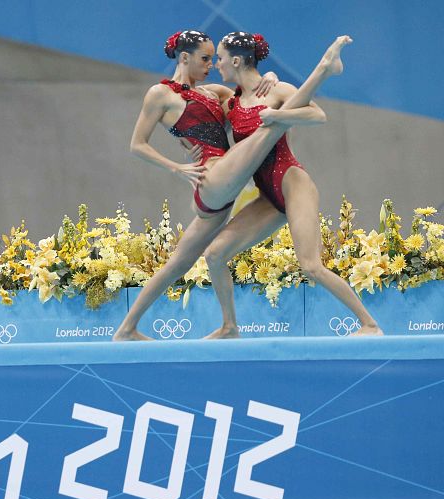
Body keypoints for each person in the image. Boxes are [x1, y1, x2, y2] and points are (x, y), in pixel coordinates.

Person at [114, 31, 358, 341]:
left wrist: (269, 77)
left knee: (182, 262)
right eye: (206, 59)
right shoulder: (159, 94)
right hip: (210, 178)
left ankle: (128, 328)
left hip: (225, 185)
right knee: (270, 127)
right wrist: (176, 167)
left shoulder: (215, 93)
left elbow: (250, 99)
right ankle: (323, 68)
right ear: (184, 57)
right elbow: (137, 144)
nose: (212, 65)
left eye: (215, 58)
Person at [202, 32, 381, 338]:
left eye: (219, 58)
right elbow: (193, 96)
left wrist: (277, 114)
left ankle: (370, 324)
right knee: (215, 255)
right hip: (268, 197)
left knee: (310, 265)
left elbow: (318, 115)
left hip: (293, 183)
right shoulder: (232, 103)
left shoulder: (276, 91)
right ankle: (230, 327)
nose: (216, 64)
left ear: (236, 60)